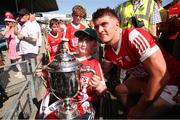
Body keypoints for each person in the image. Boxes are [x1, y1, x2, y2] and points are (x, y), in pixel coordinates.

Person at [92, 7, 180, 118]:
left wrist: (140, 107)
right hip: (150, 79)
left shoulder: (133, 36)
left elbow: (162, 75)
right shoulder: (109, 50)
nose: (99, 30)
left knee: (142, 115)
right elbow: (103, 69)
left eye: (104, 24)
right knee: (120, 90)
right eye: (96, 26)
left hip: (172, 81)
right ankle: (133, 112)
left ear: (117, 24)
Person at [37, 28, 107, 119]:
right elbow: (54, 79)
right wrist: (45, 75)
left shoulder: (95, 64)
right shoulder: (68, 59)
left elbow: (103, 90)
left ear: (94, 44)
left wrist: (98, 85)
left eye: (88, 41)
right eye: (81, 40)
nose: (83, 44)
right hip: (62, 102)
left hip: (83, 105)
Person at [16, 8, 39, 73]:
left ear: (28, 16)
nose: (20, 17)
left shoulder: (30, 25)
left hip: (30, 52)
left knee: (33, 72)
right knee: (30, 72)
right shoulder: (24, 25)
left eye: (23, 15)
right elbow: (16, 33)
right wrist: (16, 23)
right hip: (27, 52)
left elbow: (34, 39)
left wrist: (23, 37)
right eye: (20, 15)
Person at [1, 14, 23, 78]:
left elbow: (18, 36)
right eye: (6, 22)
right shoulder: (7, 28)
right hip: (10, 46)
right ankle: (20, 71)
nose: (7, 23)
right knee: (14, 60)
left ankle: (21, 71)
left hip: (16, 46)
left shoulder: (16, 27)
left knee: (19, 59)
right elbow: (4, 37)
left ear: (12, 22)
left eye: (9, 21)